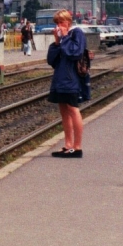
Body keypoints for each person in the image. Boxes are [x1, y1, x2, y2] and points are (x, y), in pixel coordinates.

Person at [47, 9, 88, 158]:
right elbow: (51, 60)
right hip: (60, 79)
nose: (58, 25)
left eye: (61, 22)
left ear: (68, 22)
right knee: (64, 111)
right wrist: (57, 42)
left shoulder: (76, 33)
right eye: (56, 23)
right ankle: (68, 144)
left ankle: (77, 147)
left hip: (71, 80)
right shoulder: (62, 39)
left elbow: (75, 53)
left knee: (73, 109)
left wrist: (64, 37)